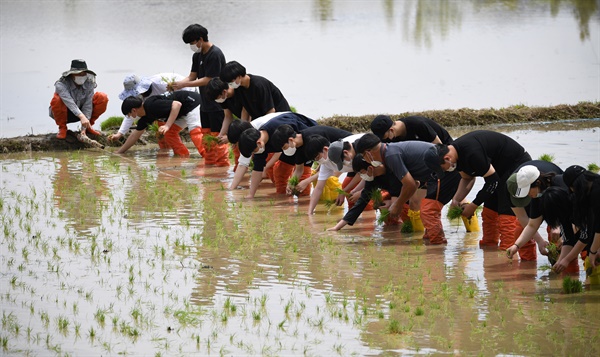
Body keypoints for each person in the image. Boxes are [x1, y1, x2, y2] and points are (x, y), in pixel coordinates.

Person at [371, 114, 476, 243]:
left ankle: (472, 235)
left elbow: (440, 150)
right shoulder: (390, 142)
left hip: (445, 161)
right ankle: (421, 237)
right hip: (423, 168)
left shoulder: (417, 125)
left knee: (455, 198)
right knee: (416, 202)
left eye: (385, 137)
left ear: (391, 130)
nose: (385, 140)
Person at [424, 130, 532, 251]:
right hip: (497, 173)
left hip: (516, 165)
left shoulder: (472, 153)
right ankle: (489, 250)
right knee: (489, 212)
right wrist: (456, 200)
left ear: (447, 158)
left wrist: (473, 205)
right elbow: (467, 178)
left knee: (505, 214)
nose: (445, 171)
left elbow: (493, 181)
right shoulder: (456, 158)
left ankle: (507, 255)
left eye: (443, 168)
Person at [171, 23, 229, 166]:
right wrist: (178, 84)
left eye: (192, 42)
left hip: (217, 103)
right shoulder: (197, 55)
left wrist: (184, 85)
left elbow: (209, 79)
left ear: (200, 39)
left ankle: (222, 167)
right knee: (206, 136)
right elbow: (192, 76)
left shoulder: (215, 54)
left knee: (218, 137)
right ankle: (210, 164)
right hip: (205, 103)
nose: (192, 46)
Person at [354, 133, 438, 229]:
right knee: (415, 205)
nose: (365, 160)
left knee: (428, 211)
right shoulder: (389, 152)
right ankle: (420, 237)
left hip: (442, 170)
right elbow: (414, 183)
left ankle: (435, 241)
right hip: (432, 175)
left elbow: (409, 184)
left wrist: (397, 204)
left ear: (368, 152)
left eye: (363, 156)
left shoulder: (390, 156)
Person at [270, 124, 354, 214]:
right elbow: (299, 170)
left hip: (349, 155)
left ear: (290, 140)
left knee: (346, 186)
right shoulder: (298, 150)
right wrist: (291, 183)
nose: (284, 151)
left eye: (284, 147)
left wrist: (307, 181)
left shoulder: (314, 138)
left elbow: (332, 168)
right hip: (335, 161)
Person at [237, 112, 318, 198]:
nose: (254, 154)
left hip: (306, 141)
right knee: (280, 171)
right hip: (288, 148)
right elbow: (257, 170)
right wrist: (251, 195)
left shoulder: (278, 127)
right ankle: (285, 201)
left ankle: (304, 202)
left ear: (259, 143)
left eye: (253, 151)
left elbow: (307, 135)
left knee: (302, 175)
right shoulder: (260, 145)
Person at [109, 73, 197, 150]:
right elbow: (131, 114)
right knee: (160, 129)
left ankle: (178, 153)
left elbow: (181, 98)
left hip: (188, 99)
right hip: (169, 107)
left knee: (168, 128)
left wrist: (168, 124)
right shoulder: (141, 100)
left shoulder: (162, 83)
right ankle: (165, 152)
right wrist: (120, 133)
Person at [505, 162, 564, 261]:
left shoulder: (559, 184)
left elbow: (575, 214)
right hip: (537, 191)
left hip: (580, 214)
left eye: (527, 192)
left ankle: (567, 268)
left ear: (538, 183)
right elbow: (529, 223)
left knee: (559, 236)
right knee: (521, 230)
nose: (528, 195)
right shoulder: (533, 195)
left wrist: (560, 228)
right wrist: (517, 245)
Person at [328, 154, 402, 231]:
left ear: (370, 168)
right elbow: (360, 204)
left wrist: (394, 203)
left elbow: (407, 189)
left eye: (361, 172)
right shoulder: (372, 179)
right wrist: (337, 227)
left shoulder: (393, 168)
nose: (362, 176)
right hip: (398, 197)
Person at [116, 91, 202, 156]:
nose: (129, 117)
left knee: (195, 133)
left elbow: (177, 105)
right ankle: (183, 155)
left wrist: (167, 125)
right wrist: (120, 152)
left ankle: (210, 158)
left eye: (128, 114)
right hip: (182, 112)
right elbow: (135, 135)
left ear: (134, 110)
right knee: (169, 133)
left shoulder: (151, 105)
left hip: (193, 104)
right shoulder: (146, 117)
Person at [49, 59, 108, 139]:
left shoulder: (89, 83)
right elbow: (69, 102)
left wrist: (84, 126)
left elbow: (88, 104)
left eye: (83, 73)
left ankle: (88, 126)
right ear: (72, 74)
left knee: (102, 97)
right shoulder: (61, 84)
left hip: (82, 113)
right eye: (78, 74)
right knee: (57, 100)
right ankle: (62, 128)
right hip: (65, 113)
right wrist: (82, 116)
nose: (81, 76)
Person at [218, 61, 290, 121]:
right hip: (260, 119)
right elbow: (245, 110)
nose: (230, 85)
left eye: (231, 82)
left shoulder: (259, 85)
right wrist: (243, 127)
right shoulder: (239, 88)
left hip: (279, 118)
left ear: (239, 76)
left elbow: (270, 111)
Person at [563, 165, 600, 269]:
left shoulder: (596, 194)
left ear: (574, 186)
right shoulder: (595, 183)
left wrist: (593, 251)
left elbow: (598, 227)